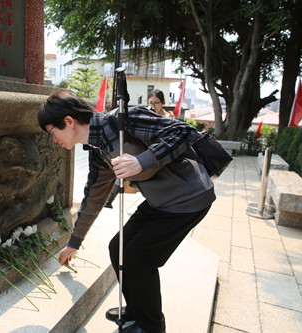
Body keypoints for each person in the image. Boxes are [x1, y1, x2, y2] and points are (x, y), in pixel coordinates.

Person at [38, 90, 215, 333]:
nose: (53, 139)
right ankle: (138, 310)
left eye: (52, 132)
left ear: (68, 121)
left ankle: (151, 326)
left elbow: (183, 131)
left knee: (140, 257)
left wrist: (143, 160)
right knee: (118, 248)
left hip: (187, 198)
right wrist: (74, 243)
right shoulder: (98, 149)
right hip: (160, 200)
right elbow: (93, 198)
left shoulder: (122, 121)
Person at [104, 89, 172, 208]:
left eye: (156, 103)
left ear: (163, 103)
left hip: (158, 154)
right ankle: (109, 200)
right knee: (125, 172)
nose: (153, 106)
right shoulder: (144, 113)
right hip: (141, 151)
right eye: (151, 102)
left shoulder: (168, 117)